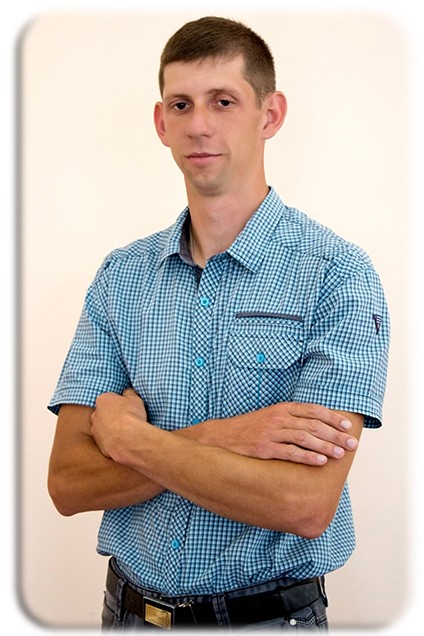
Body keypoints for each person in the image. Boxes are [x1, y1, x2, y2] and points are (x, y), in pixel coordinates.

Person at [47, 15, 390, 631]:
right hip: (126, 615)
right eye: (181, 104)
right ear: (161, 123)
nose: (199, 124)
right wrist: (226, 437)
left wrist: (131, 441)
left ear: (270, 114)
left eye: (223, 101)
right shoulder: (121, 278)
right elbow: (69, 482)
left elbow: (304, 503)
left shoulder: (339, 275)